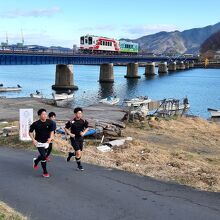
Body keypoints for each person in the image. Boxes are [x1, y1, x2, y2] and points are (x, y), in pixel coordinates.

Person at [29, 108, 54, 178]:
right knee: (43, 157)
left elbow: (52, 131)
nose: (45, 115)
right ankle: (45, 172)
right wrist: (33, 140)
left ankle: (36, 160)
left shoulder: (50, 122)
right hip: (39, 142)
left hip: (47, 142)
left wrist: (51, 138)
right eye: (43, 114)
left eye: (45, 114)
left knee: (44, 155)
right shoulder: (36, 124)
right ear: (39, 115)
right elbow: (30, 132)